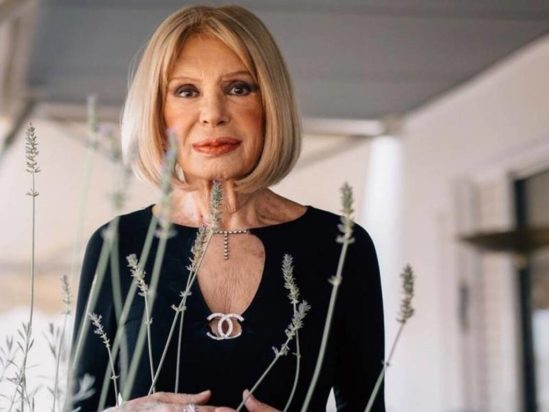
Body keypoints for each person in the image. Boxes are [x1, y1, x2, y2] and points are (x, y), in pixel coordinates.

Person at [71, 5, 385, 412]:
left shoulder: (341, 246)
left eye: (238, 88)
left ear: (270, 104)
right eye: (187, 91)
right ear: (157, 112)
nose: (213, 115)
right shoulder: (118, 244)